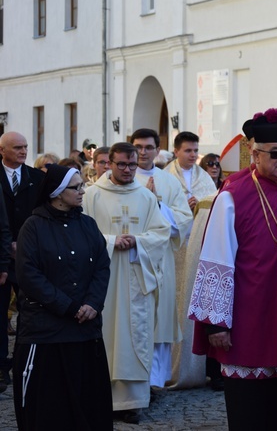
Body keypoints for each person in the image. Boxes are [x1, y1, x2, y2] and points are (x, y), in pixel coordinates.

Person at [188, 108, 277, 430]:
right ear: (255, 153)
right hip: (250, 322)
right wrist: (214, 324)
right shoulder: (233, 196)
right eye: (276, 153)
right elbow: (216, 259)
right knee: (252, 413)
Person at [13, 164, 112, 430]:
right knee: (48, 407)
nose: (82, 191)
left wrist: (93, 303)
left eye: (82, 185)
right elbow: (28, 275)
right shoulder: (33, 227)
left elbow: (102, 266)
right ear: (57, 193)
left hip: (85, 329)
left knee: (88, 402)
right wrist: (68, 307)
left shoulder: (88, 225)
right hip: (46, 330)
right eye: (76, 187)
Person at [82, 142, 171, 424]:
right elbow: (81, 233)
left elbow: (161, 232)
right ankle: (99, 398)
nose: (128, 170)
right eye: (121, 164)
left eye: (132, 165)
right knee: (104, 336)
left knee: (135, 336)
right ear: (110, 163)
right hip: (101, 278)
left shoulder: (145, 197)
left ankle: (132, 402)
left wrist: (137, 241)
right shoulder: (92, 196)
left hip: (135, 275)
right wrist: (110, 241)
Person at [130, 128, 193, 389]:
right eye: (138, 147)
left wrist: (158, 204)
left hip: (161, 260)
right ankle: (131, 381)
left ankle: (154, 383)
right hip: (130, 260)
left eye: (148, 147)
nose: (143, 152)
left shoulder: (167, 181)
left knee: (160, 321)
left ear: (158, 150)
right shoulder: (122, 176)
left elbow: (183, 220)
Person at [0, 132, 44, 392]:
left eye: (25, 147)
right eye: (17, 147)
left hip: (29, 258)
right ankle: (0, 368)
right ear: (2, 150)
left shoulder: (37, 178)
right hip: (2, 260)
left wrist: (25, 244)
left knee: (30, 313)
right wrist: (6, 247)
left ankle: (24, 361)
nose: (23, 151)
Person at [166, 131, 216, 211]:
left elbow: (213, 202)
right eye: (188, 151)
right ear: (176, 152)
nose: (193, 155)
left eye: (195, 150)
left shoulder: (203, 176)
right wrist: (183, 208)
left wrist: (199, 205)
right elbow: (161, 206)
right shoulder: (166, 175)